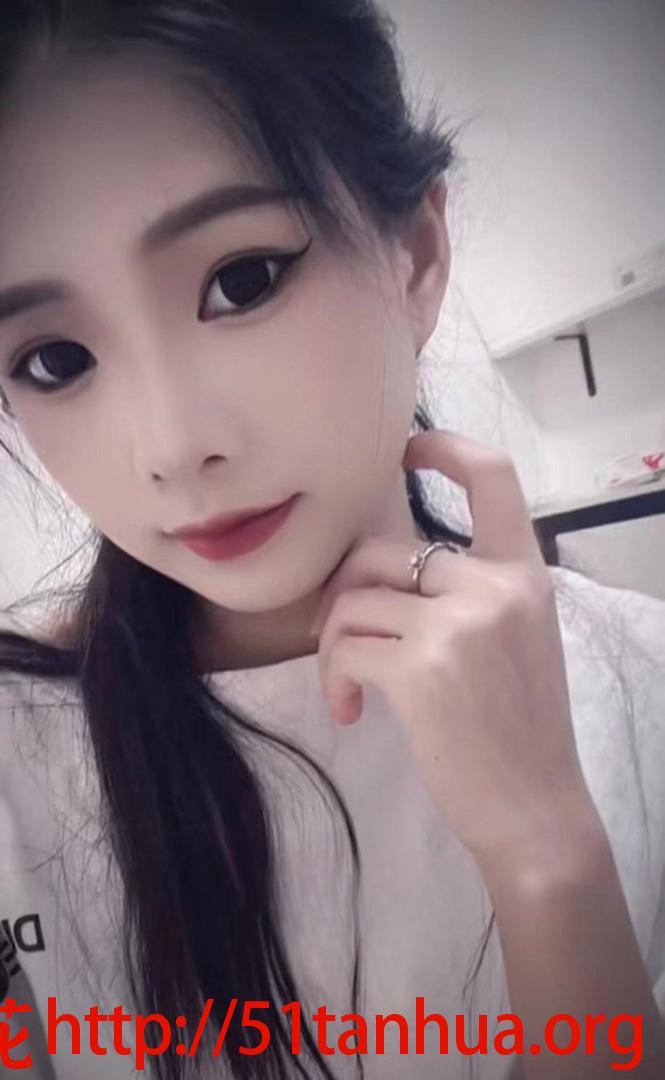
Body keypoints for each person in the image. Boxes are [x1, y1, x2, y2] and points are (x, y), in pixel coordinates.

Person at [0, 2, 664, 1078]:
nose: (171, 447)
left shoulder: (638, 678)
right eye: (55, 360)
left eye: (242, 280)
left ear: (416, 257)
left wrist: (546, 850)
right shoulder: (17, 747)